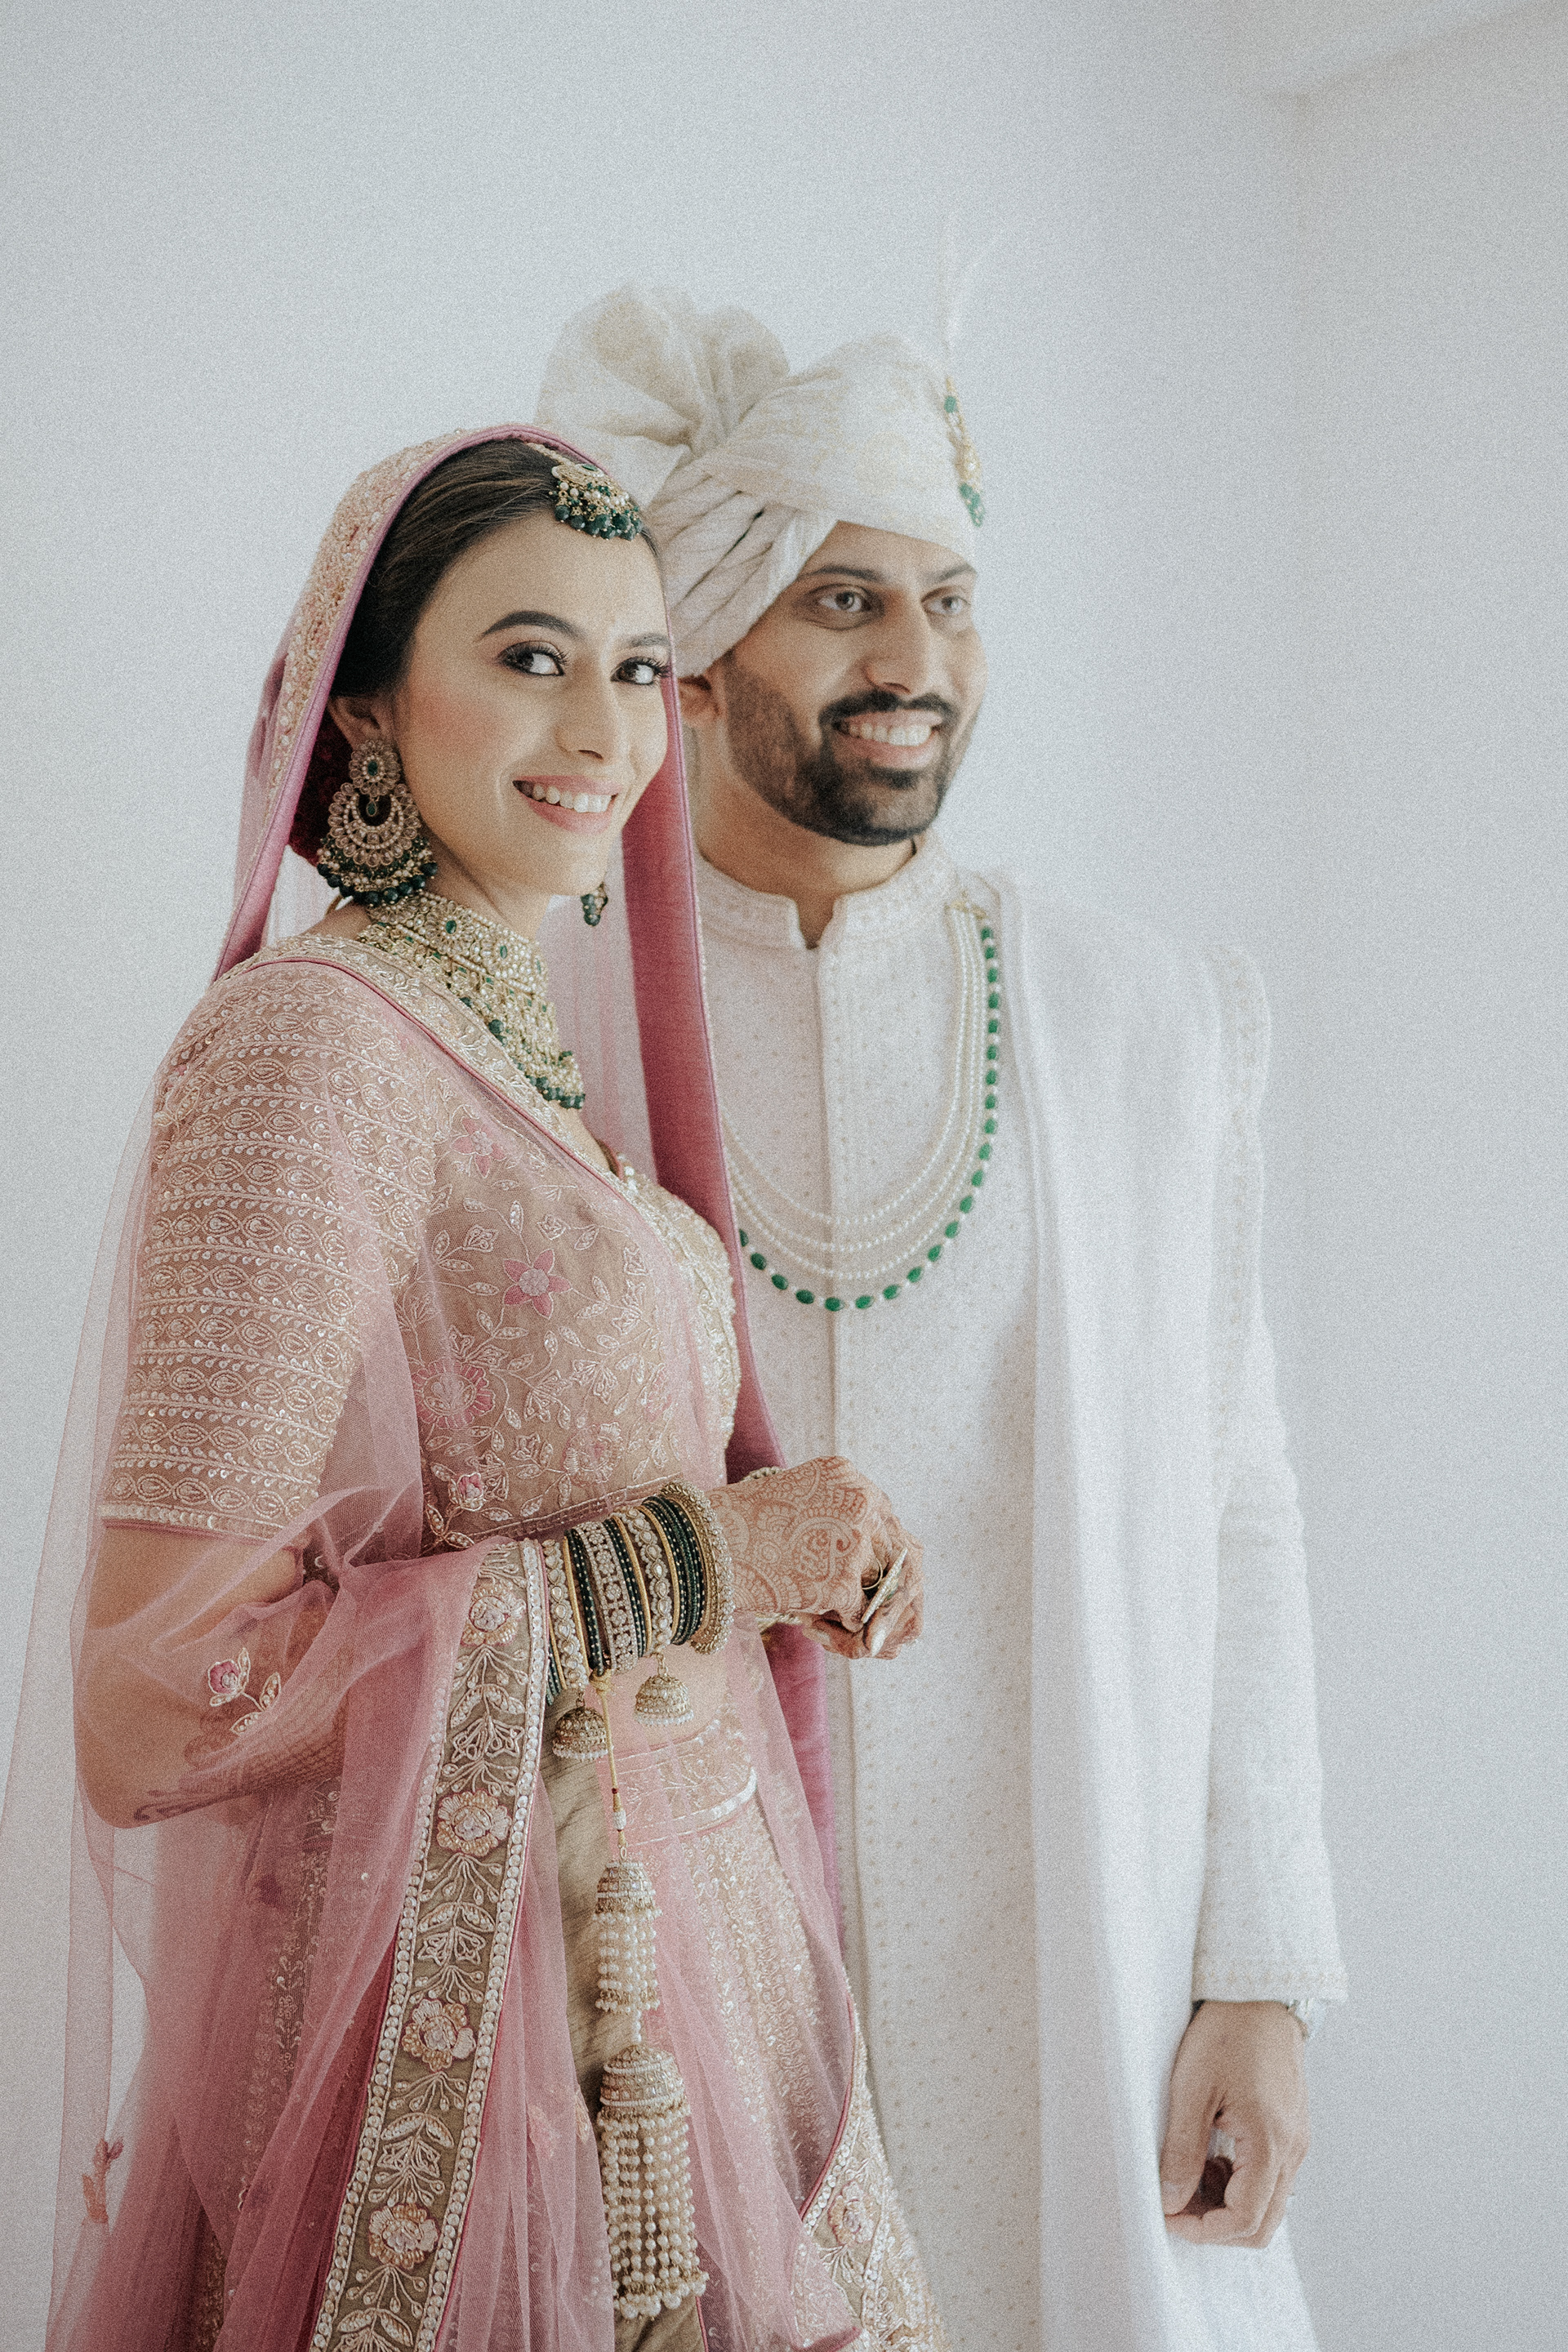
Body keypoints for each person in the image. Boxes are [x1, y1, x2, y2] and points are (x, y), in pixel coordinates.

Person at [0, 426, 950, 2352]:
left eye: (635, 665)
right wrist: (705, 1563)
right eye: (530, 656)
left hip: (666, 1995)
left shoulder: (520, 1061)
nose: (602, 726)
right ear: (361, 707)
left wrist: (776, 1558)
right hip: (471, 2067)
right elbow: (154, 1701)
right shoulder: (309, 1051)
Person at [535, 290, 1350, 2352]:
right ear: (702, 648)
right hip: (665, 1978)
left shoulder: (1144, 1020)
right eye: (845, 601)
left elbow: (1239, 1505)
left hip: (1081, 1956)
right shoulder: (540, 1024)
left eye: (951, 600)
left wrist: (1259, 1970)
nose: (916, 661)